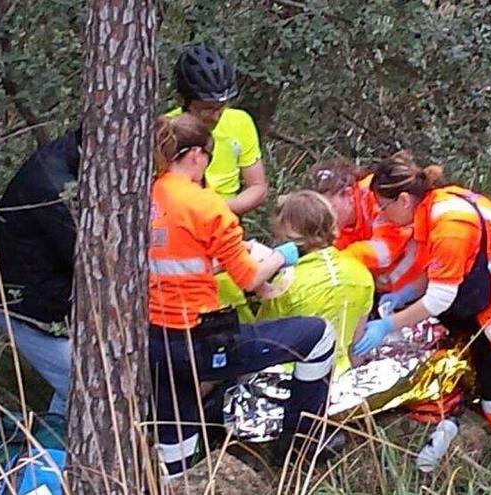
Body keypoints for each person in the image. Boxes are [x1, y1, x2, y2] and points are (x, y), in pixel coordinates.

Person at [149, 114, 335, 479]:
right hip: (199, 340)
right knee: (318, 336)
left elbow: (175, 256)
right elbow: (249, 278)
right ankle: (301, 446)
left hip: (152, 341)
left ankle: (175, 475)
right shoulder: (206, 205)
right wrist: (286, 253)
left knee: (177, 448)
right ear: (198, 156)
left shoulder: (146, 196)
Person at [352, 152, 491, 432]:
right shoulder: (435, 207)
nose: (381, 215)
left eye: (383, 208)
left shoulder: (450, 225)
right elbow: (438, 266)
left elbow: (439, 298)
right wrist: (406, 293)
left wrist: (388, 325)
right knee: (481, 372)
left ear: (404, 200)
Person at [0, 127, 80, 416]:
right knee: (83, 387)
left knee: (76, 386)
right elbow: (84, 256)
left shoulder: (68, 158)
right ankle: (58, 451)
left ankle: (55, 446)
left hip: (40, 293)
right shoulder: (55, 188)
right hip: (22, 303)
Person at [256, 190, 375, 375]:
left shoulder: (286, 281)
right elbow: (355, 344)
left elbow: (262, 342)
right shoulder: (361, 273)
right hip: (341, 378)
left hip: (290, 380)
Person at [308, 157, 427, 308]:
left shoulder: (376, 195)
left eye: (328, 206)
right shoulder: (339, 225)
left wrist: (343, 259)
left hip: (425, 285)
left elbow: (388, 247)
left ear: (348, 193)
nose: (324, 214)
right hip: (391, 295)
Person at [168, 43, 267, 216]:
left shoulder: (240, 121)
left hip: (224, 221)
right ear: (182, 100)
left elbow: (258, 187)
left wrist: (217, 211)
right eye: (207, 109)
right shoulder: (168, 129)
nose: (216, 116)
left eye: (221, 107)